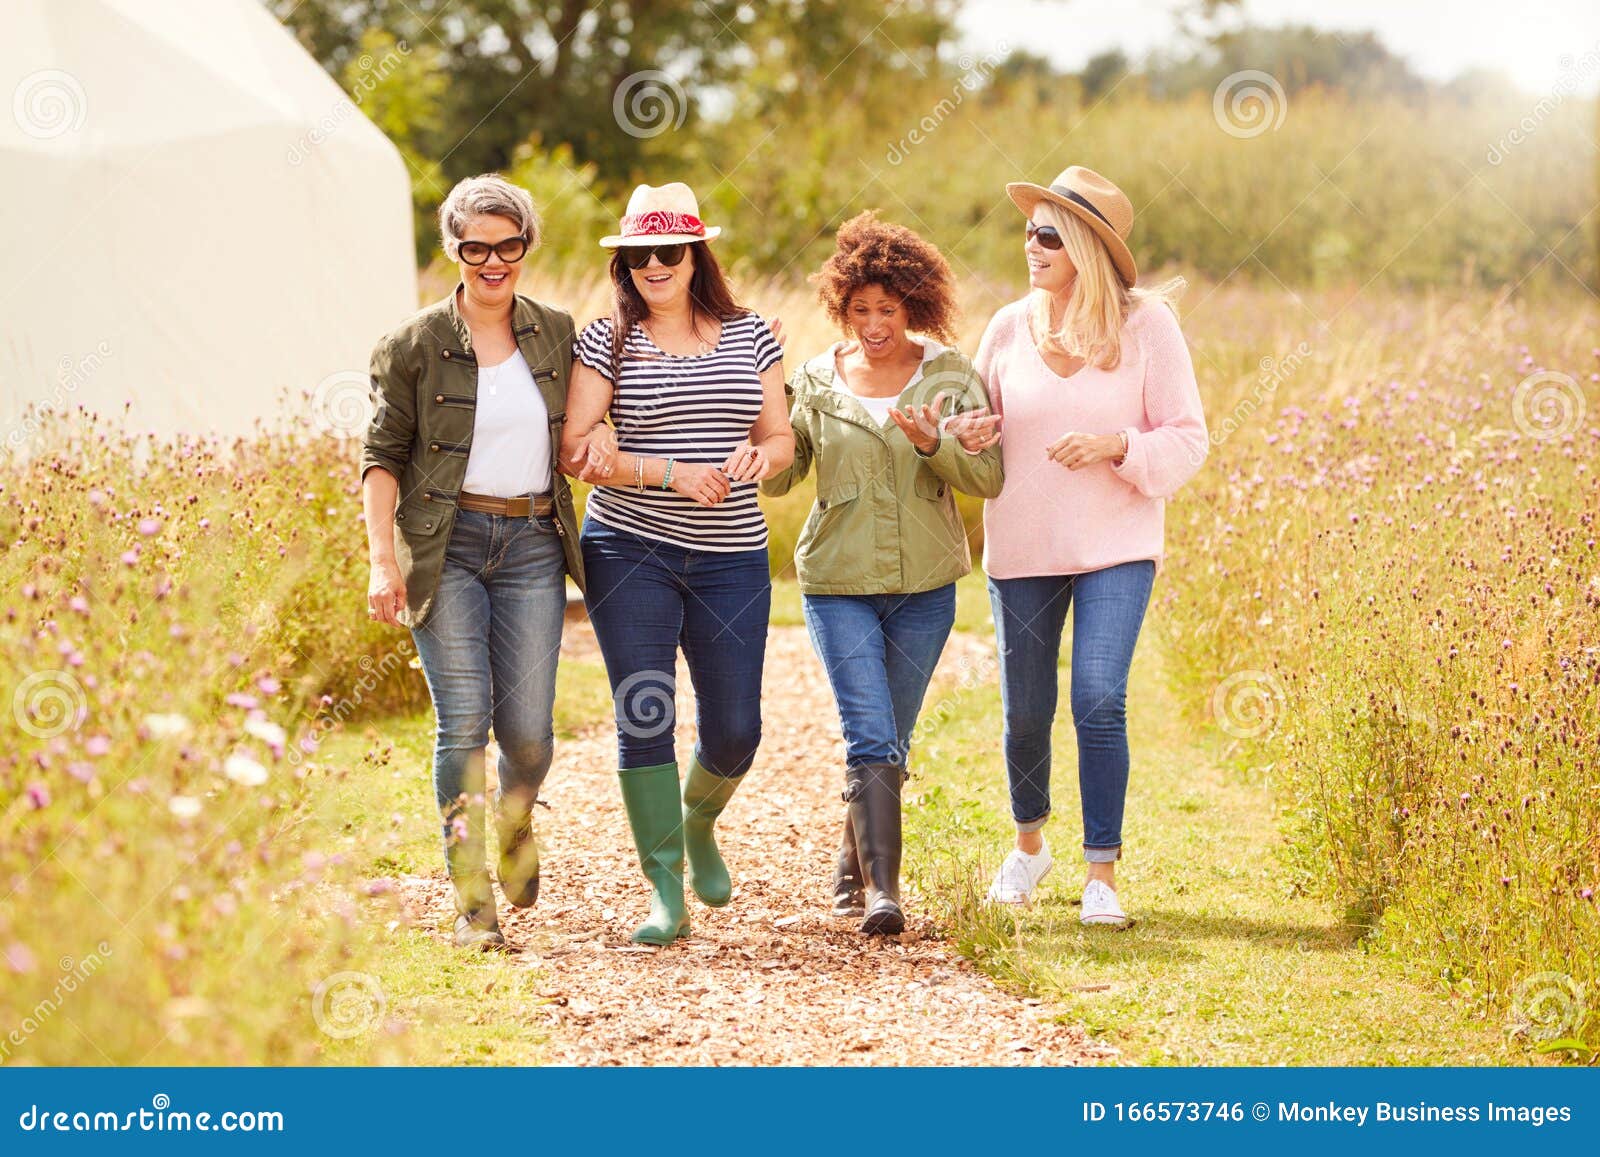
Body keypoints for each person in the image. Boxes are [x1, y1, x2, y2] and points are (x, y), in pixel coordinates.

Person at [361, 174, 609, 950]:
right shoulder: (412, 344)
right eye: (476, 247)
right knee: (462, 723)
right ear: (454, 249)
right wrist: (380, 560)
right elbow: (381, 456)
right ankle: (474, 905)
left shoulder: (558, 331)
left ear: (526, 246)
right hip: (447, 546)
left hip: (534, 543)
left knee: (530, 736)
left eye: (508, 245)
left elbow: (594, 420)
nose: (493, 261)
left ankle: (514, 821)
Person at [560, 182, 792, 946]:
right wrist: (667, 473)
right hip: (630, 551)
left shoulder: (752, 333)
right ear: (625, 261)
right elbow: (577, 449)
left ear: (697, 255)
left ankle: (697, 824)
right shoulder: (604, 341)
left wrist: (760, 456)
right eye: (640, 253)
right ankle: (665, 891)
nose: (655, 264)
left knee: (735, 730)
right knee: (645, 712)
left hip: (732, 555)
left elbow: (781, 439)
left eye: (670, 250)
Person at [976, 166, 1208, 925]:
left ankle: (1101, 875)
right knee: (1026, 711)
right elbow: (975, 437)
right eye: (1029, 231)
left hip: (1117, 544)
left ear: (1083, 246)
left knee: (1099, 697)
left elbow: (1188, 438)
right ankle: (1030, 845)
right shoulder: (1008, 326)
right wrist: (957, 435)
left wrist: (1117, 444)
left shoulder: (1148, 328)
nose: (1030, 245)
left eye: (1046, 234)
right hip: (1024, 547)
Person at [763, 212, 1002, 934]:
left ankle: (851, 863)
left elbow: (986, 476)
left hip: (927, 589)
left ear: (913, 307)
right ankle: (883, 893)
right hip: (837, 584)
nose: (873, 324)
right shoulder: (812, 379)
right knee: (869, 734)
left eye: (887, 310)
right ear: (842, 307)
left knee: (890, 737)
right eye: (860, 309)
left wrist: (934, 444)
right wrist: (762, 395)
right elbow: (781, 480)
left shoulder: (950, 376)